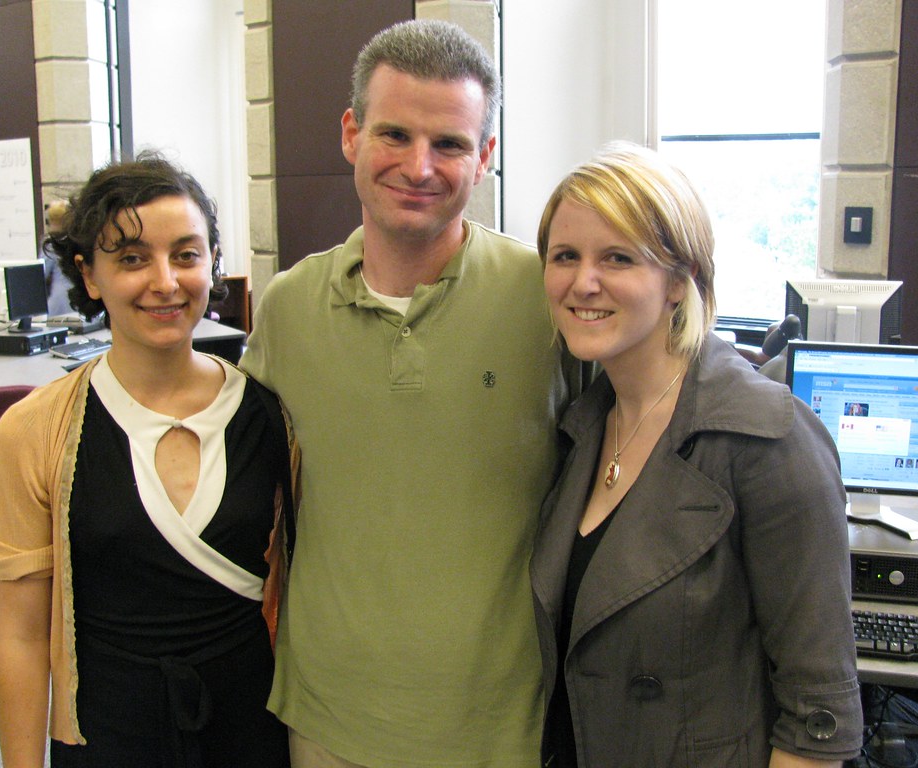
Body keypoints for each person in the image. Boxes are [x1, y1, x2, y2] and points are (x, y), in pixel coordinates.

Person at [239, 19, 576, 768]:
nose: (419, 167)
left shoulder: (546, 300)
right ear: (351, 133)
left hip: (503, 725)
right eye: (394, 134)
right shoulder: (289, 308)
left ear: (484, 157)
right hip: (328, 717)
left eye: (450, 143)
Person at [531, 142, 863, 767]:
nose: (584, 282)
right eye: (565, 256)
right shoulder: (583, 425)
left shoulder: (769, 440)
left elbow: (818, 719)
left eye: (618, 258)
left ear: (679, 281)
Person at [0, 154, 291, 768]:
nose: (165, 281)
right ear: (89, 275)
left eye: (186, 254)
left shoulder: (271, 414)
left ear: (212, 265)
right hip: (109, 730)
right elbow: (21, 636)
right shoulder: (35, 430)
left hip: (254, 727)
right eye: (131, 258)